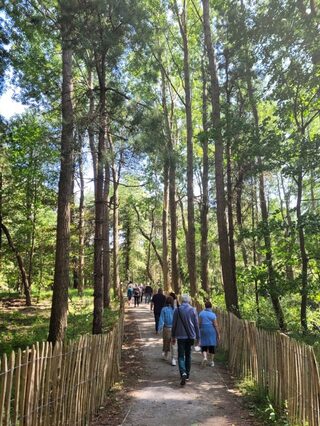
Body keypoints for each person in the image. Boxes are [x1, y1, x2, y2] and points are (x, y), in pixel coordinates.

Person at [171, 294, 200, 386]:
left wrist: (173, 336)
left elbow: (174, 324)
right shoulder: (193, 310)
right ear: (189, 301)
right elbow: (196, 325)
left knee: (180, 355)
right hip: (190, 336)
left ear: (182, 300)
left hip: (180, 336)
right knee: (188, 355)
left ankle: (182, 372)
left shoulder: (177, 310)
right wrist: (198, 338)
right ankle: (187, 375)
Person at [199, 301, 220, 367]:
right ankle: (211, 361)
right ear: (211, 307)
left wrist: (199, 330)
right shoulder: (213, 314)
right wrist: (218, 333)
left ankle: (205, 357)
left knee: (204, 344)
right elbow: (215, 325)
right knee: (211, 345)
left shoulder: (201, 313)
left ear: (205, 306)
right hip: (211, 330)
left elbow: (199, 323)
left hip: (203, 329)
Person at [158, 296, 176, 366]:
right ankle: (173, 359)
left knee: (166, 341)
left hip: (166, 328)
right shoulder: (175, 310)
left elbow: (161, 319)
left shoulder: (164, 309)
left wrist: (160, 328)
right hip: (174, 329)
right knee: (173, 344)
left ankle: (165, 354)